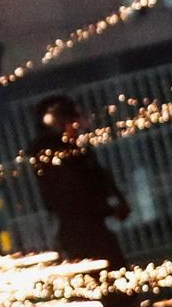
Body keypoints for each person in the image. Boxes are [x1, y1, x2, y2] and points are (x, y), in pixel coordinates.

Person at [28, 95, 131, 267]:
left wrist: (113, 202)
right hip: (81, 228)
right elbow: (75, 192)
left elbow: (98, 176)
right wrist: (108, 207)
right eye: (70, 120)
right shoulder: (56, 153)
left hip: (86, 226)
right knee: (105, 271)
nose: (77, 125)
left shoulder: (72, 150)